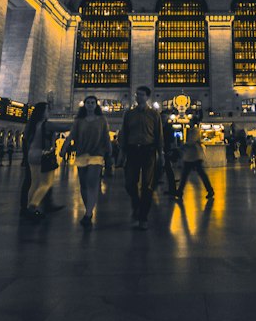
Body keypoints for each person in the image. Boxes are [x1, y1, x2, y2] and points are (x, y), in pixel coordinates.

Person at [120, 86, 163, 230]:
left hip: (148, 150)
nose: (138, 97)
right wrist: (122, 151)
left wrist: (160, 153)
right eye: (137, 94)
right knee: (130, 183)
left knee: (147, 185)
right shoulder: (129, 114)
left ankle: (143, 216)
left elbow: (158, 134)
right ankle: (136, 205)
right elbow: (124, 133)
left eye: (141, 95)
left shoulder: (154, 114)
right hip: (132, 150)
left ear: (147, 97)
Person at [69, 94, 111, 227]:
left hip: (96, 155)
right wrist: (64, 149)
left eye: (93, 103)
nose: (90, 105)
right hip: (81, 155)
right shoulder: (79, 120)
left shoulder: (102, 120)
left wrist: (109, 151)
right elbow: (72, 135)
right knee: (83, 185)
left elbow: (106, 136)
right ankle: (89, 207)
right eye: (88, 103)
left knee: (92, 183)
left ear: (96, 105)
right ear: (85, 105)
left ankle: (88, 213)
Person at [23, 101, 60, 218]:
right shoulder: (45, 124)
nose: (49, 112)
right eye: (47, 110)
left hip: (31, 154)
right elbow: (63, 127)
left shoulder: (32, 124)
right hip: (42, 154)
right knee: (46, 183)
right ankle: (32, 206)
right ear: (43, 112)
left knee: (34, 183)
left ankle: (29, 207)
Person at [178, 121, 215, 202]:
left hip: (193, 156)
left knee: (186, 175)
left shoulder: (194, 131)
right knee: (200, 174)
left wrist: (184, 146)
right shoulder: (194, 130)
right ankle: (210, 190)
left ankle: (180, 192)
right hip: (193, 156)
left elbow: (191, 142)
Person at [160, 110, 180, 200]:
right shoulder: (159, 127)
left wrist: (172, 149)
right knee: (164, 169)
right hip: (160, 150)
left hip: (167, 150)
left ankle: (172, 189)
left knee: (168, 170)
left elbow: (172, 140)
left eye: (164, 117)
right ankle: (172, 189)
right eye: (162, 117)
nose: (163, 119)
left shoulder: (169, 128)